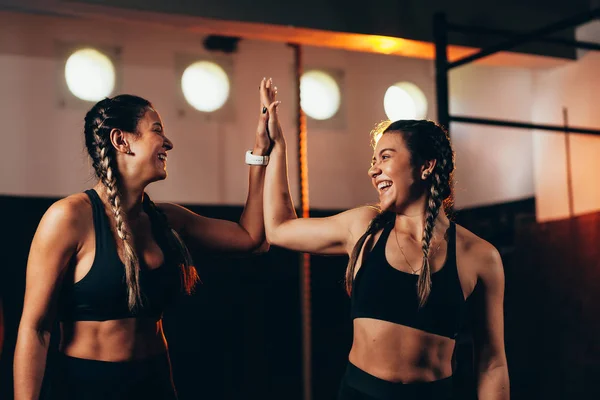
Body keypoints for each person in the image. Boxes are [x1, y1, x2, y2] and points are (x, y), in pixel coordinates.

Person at [13, 78, 274, 400]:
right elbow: (35, 329)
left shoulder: (168, 219)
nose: (168, 143)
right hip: (86, 386)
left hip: (155, 383)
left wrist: (261, 153)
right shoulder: (68, 218)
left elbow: (251, 239)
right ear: (121, 141)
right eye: (157, 130)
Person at [261, 81, 509, 399]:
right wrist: (277, 146)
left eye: (385, 158)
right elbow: (279, 228)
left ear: (426, 166)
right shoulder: (365, 228)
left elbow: (492, 364)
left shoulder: (480, 256)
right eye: (374, 161)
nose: (373, 171)